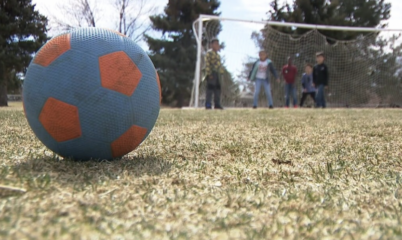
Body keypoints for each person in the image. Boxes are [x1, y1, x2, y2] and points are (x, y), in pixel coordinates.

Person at [204, 38, 225, 110]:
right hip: (212, 73)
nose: (217, 45)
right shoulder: (209, 53)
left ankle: (217, 104)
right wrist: (209, 73)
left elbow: (219, 65)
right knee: (210, 89)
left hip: (218, 74)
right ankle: (208, 104)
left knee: (217, 89)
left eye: (218, 44)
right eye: (215, 44)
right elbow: (207, 63)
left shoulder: (218, 55)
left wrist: (221, 72)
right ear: (211, 45)